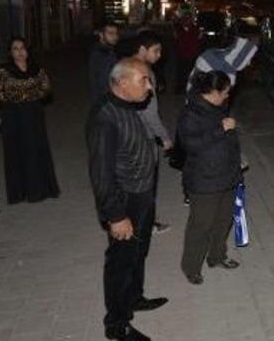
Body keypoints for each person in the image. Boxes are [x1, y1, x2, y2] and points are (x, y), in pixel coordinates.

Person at [86, 58, 167, 341]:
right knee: (120, 260)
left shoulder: (130, 104)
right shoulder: (104, 117)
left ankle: (134, 297)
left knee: (139, 251)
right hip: (124, 200)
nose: (150, 86)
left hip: (143, 194)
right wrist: (115, 215)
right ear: (122, 83)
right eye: (143, 80)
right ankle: (116, 323)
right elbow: (101, 173)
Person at [178, 70, 241, 285]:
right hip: (204, 180)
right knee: (201, 225)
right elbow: (190, 144)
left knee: (224, 220)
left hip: (228, 175)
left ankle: (217, 256)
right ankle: (191, 267)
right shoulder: (191, 113)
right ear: (213, 91)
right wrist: (220, 129)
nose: (227, 96)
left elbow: (229, 139)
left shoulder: (220, 107)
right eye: (225, 92)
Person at [0, 37, 59, 204]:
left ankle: (39, 190)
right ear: (10, 52)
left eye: (22, 48)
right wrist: (26, 95)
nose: (20, 52)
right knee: (17, 151)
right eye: (15, 48)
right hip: (13, 115)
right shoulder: (3, 71)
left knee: (36, 149)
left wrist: (27, 95)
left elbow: (47, 89)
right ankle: (19, 192)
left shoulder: (36, 69)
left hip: (33, 114)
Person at [130, 31, 171, 235]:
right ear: (143, 50)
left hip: (126, 133)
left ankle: (135, 222)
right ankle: (144, 225)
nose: (159, 55)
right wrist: (164, 136)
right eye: (156, 51)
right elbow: (150, 110)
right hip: (143, 136)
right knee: (147, 184)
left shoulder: (124, 66)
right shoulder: (144, 73)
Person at [88, 22, 120, 106]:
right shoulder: (102, 54)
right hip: (105, 100)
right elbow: (104, 81)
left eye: (116, 33)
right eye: (110, 33)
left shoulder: (108, 50)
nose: (115, 36)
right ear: (101, 35)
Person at [173, 13, 200, 94]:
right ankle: (180, 87)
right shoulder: (179, 30)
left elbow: (197, 41)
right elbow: (176, 42)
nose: (187, 21)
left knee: (191, 71)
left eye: (189, 19)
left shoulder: (195, 29)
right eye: (185, 19)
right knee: (181, 71)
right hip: (182, 53)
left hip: (192, 53)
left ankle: (191, 87)